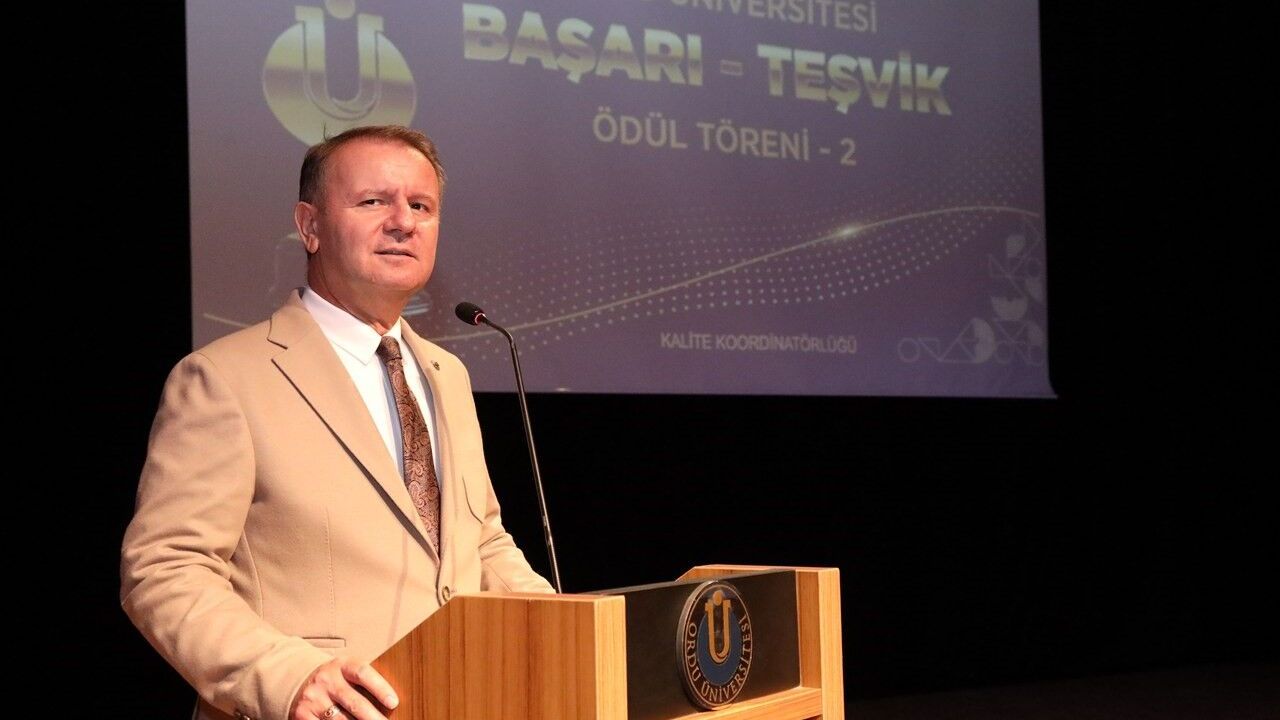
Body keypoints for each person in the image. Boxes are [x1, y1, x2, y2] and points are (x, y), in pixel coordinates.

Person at [121, 125, 555, 720]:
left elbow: (482, 543)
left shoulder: (446, 374)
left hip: (458, 699)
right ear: (310, 226)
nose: (403, 222)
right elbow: (165, 568)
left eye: (421, 206)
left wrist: (571, 632)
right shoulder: (224, 379)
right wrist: (284, 677)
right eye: (374, 201)